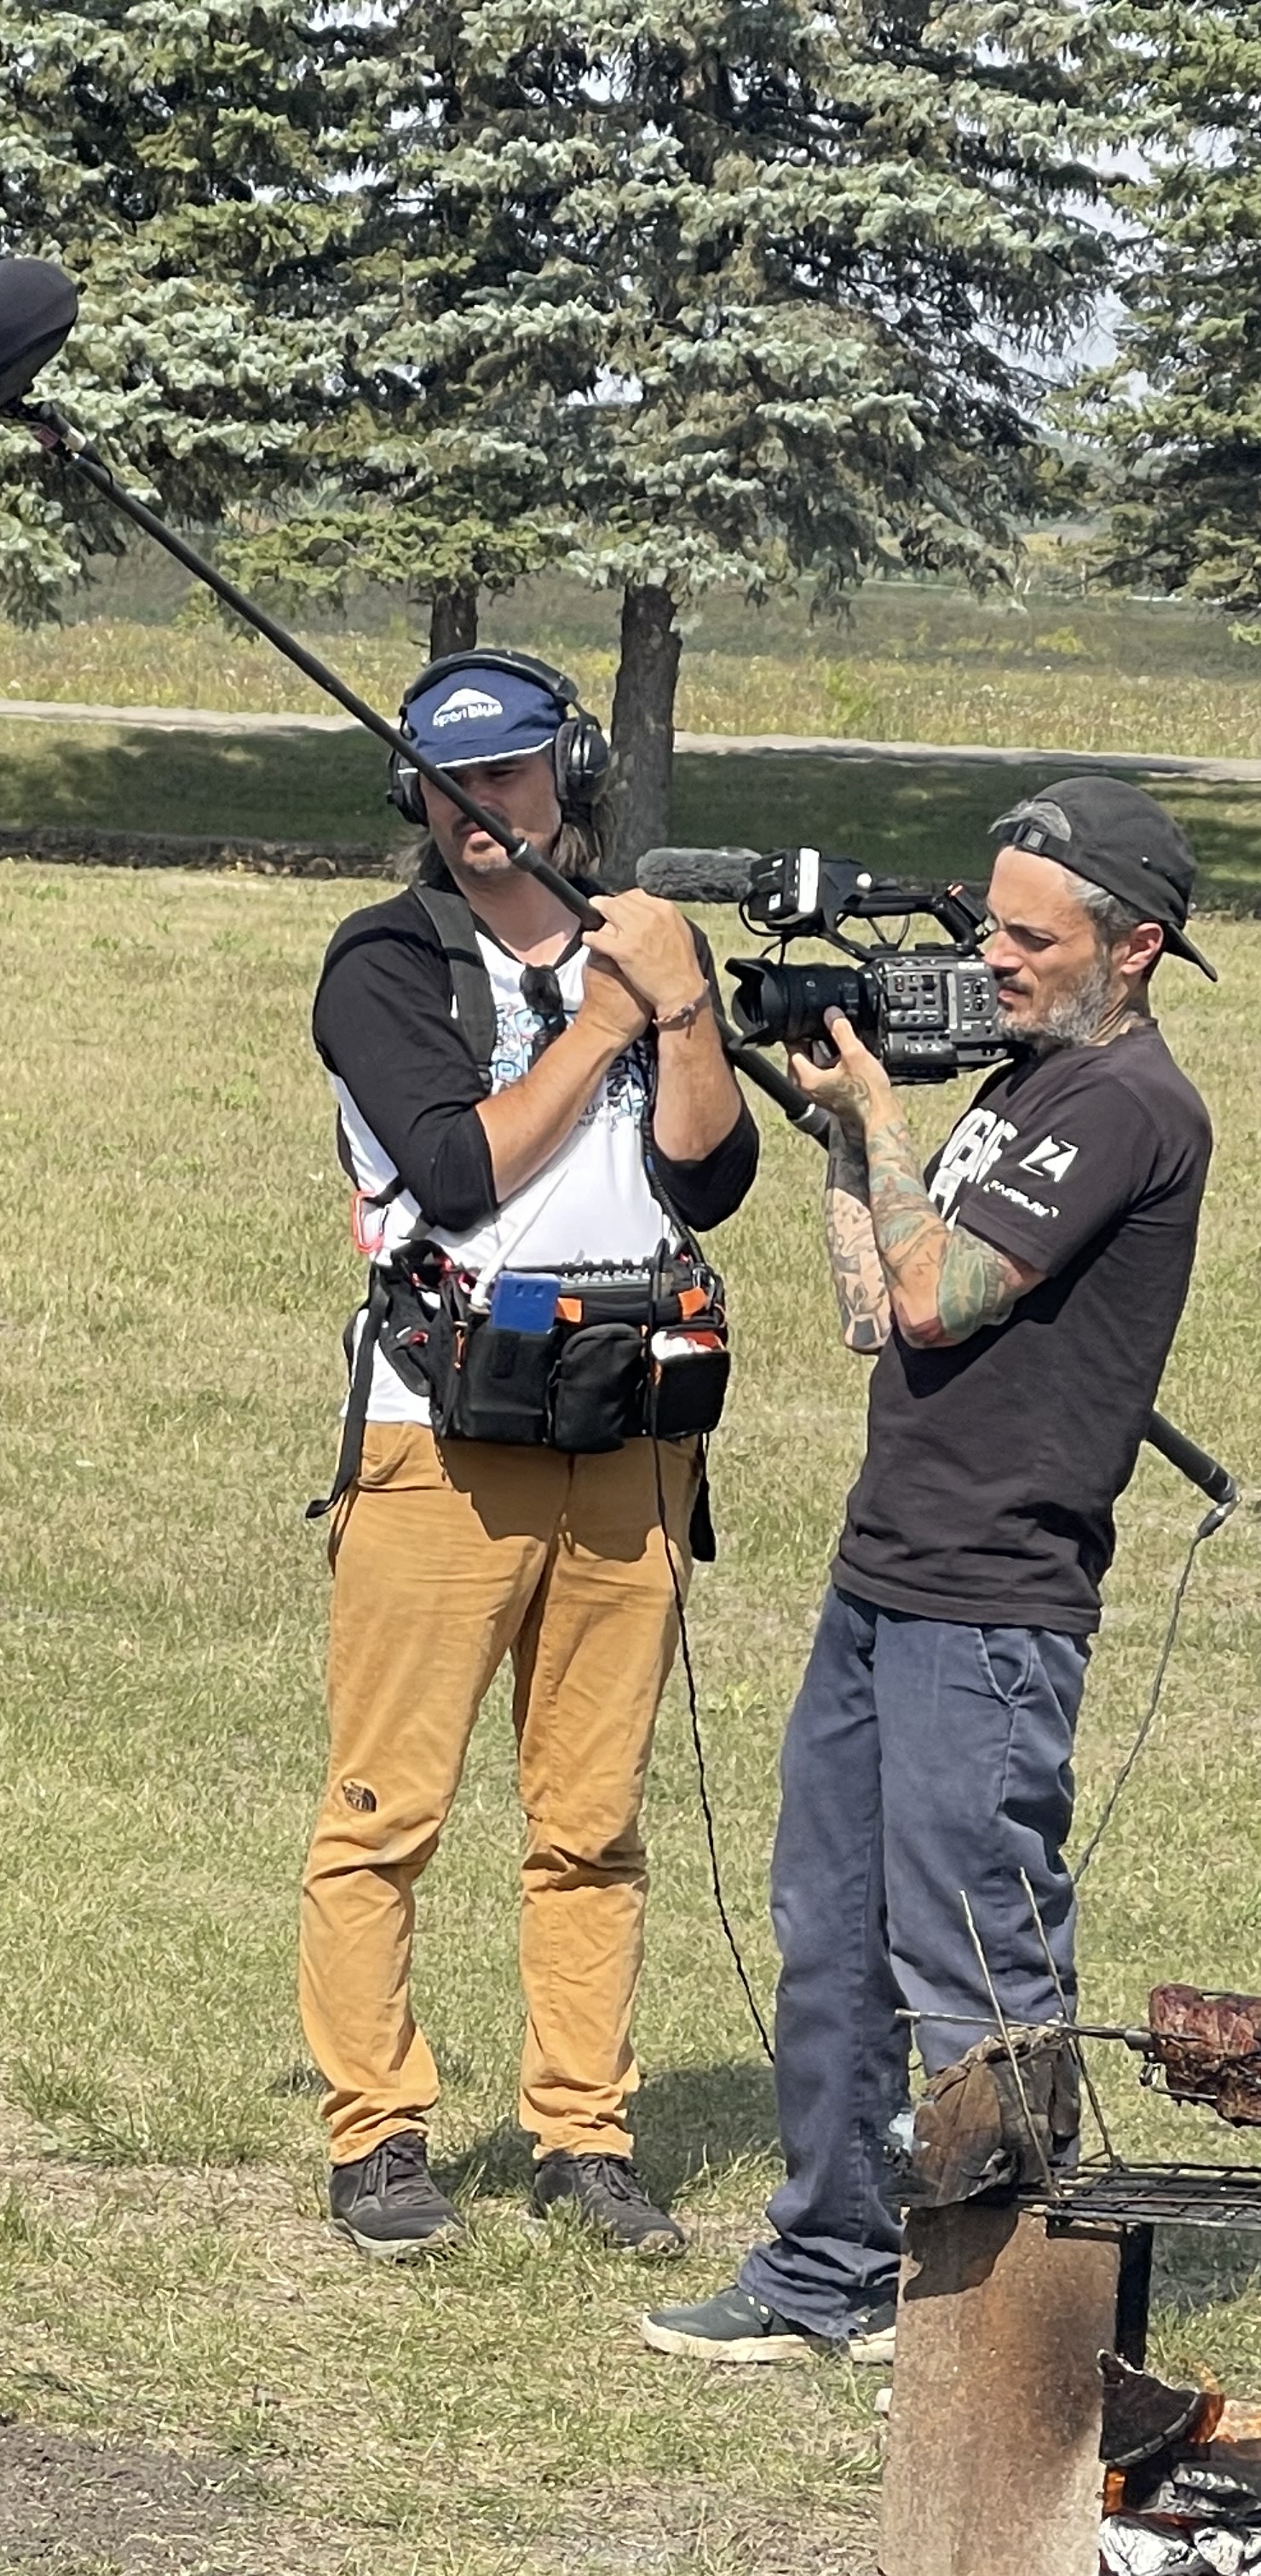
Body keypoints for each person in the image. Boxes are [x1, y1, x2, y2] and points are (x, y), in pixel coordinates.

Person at [643, 779, 1214, 2366]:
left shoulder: (1131, 1109)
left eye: (1035, 937)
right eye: (993, 922)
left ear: (1136, 948)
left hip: (995, 1604)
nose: (999, 956)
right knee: (828, 1931)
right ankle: (826, 2265)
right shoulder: (1022, 1086)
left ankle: (1007, 2316)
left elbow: (948, 1295)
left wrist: (891, 1123)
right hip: (883, 1571)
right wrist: (846, 1133)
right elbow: (874, 1309)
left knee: (974, 1957)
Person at [302, 650, 758, 2261]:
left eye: (508, 780)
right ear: (417, 799)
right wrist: (605, 1018)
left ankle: (585, 2132)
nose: (483, 815)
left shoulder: (640, 945)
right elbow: (459, 1171)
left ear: (562, 777)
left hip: (632, 1430)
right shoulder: (384, 964)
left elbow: (711, 1180)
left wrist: (680, 1002)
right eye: (451, 788)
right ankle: (378, 2134)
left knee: (593, 1817)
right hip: (445, 1433)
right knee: (388, 1805)